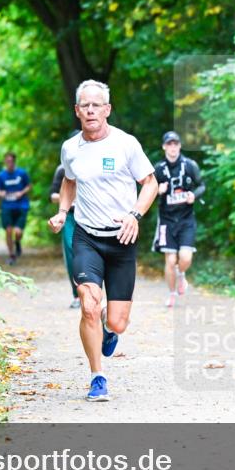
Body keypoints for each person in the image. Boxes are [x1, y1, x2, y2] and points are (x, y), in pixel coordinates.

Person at [48, 80, 158, 402]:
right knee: (89, 305)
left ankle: (110, 330)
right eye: (85, 105)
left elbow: (150, 183)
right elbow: (69, 182)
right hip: (87, 237)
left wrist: (135, 215)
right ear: (77, 110)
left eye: (97, 105)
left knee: (118, 322)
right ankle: (98, 377)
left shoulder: (126, 144)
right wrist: (62, 212)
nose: (91, 110)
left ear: (107, 109)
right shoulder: (71, 148)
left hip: (122, 238)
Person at [152, 131, 205, 308]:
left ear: (180, 146)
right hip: (166, 220)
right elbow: (147, 190)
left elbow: (201, 186)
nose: (173, 147)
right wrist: (157, 190)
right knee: (170, 260)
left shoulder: (190, 165)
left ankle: (181, 275)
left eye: (176, 144)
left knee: (185, 257)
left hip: (186, 219)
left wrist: (193, 195)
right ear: (164, 147)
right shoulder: (159, 169)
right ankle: (171, 294)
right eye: (169, 144)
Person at [50, 155, 81, 309]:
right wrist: (68, 196)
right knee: (71, 253)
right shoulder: (62, 169)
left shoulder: (94, 164)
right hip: (69, 216)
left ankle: (92, 292)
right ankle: (77, 295)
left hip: (91, 215)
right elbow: (53, 196)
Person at [0, 153, 31, 265]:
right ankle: (11, 255)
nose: (9, 163)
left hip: (21, 205)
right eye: (7, 161)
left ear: (14, 161)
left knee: (18, 232)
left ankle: (18, 242)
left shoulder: (22, 173)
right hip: (7, 206)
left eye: (11, 161)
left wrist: (21, 193)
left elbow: (29, 186)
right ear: (5, 162)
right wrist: (1, 194)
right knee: (8, 231)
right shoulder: (1, 175)